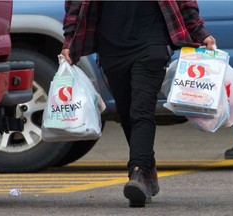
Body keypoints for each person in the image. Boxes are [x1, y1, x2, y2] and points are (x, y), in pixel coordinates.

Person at [61, 1, 216, 207]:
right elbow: (75, 4)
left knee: (141, 110)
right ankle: (147, 166)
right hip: (111, 46)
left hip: (152, 43)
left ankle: (138, 173)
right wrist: (69, 40)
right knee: (126, 113)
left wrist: (199, 32)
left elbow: (184, 2)